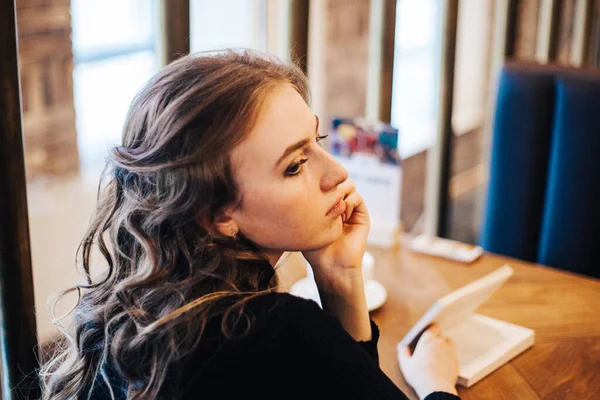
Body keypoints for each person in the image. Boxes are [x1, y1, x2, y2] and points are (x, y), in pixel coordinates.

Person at [42, 49, 460, 400]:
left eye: (318, 142)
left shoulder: (133, 316)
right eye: (295, 166)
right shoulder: (271, 332)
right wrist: (436, 384)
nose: (336, 173)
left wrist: (339, 277)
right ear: (217, 214)